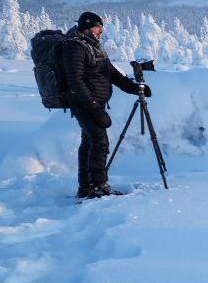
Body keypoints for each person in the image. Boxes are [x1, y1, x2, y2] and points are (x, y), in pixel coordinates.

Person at [63, 11, 151, 198]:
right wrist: (93, 106)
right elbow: (75, 81)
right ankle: (98, 187)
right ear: (88, 27)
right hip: (84, 104)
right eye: (98, 27)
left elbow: (112, 73)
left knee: (89, 143)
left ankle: (86, 187)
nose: (101, 30)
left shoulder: (94, 46)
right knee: (100, 142)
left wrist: (136, 88)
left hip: (95, 103)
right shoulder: (75, 47)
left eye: (101, 27)